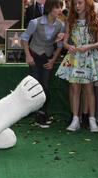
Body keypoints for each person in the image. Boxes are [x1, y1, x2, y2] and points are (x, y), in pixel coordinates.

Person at [55, 0, 98, 132]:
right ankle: (75, 119)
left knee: (89, 90)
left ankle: (92, 120)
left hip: (89, 58)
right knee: (74, 89)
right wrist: (69, 46)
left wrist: (89, 46)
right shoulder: (70, 22)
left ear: (87, 4)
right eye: (75, 4)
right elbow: (65, 41)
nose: (77, 6)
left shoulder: (95, 21)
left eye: (80, 3)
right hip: (74, 58)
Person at [21, 0, 64, 128]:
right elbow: (24, 39)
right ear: (50, 8)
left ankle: (43, 112)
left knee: (45, 86)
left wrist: (53, 60)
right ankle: (38, 115)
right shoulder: (35, 22)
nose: (60, 10)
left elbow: (60, 45)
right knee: (35, 85)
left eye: (60, 7)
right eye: (57, 7)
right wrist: (28, 56)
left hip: (48, 58)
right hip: (34, 56)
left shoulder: (61, 25)